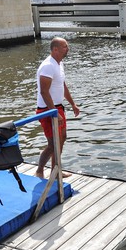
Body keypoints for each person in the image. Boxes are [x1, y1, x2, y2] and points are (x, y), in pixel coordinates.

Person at [35, 37, 80, 179]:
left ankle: (56, 171)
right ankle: (40, 170)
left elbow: (62, 85)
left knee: (61, 139)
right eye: (65, 47)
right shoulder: (48, 66)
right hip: (47, 110)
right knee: (52, 144)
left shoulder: (59, 64)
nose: (68, 49)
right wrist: (54, 112)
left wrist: (72, 104)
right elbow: (44, 91)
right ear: (55, 49)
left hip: (58, 108)